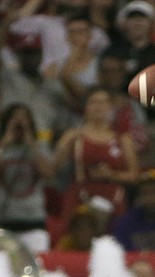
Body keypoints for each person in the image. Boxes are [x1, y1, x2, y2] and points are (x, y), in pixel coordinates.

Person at [54, 86, 140, 226]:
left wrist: (111, 175)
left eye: (103, 102)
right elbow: (55, 168)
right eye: (93, 102)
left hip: (113, 199)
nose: (98, 107)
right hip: (80, 197)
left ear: (111, 107)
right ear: (86, 107)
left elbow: (135, 175)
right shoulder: (74, 136)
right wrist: (66, 143)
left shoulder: (123, 139)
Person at [0, 102, 56, 254]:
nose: (19, 123)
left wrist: (31, 143)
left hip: (33, 222)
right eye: (15, 119)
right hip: (1, 221)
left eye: (24, 119)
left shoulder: (39, 148)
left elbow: (48, 173)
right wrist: (3, 144)